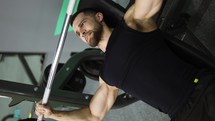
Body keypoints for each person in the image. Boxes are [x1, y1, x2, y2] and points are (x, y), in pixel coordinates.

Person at [35, 0, 215, 121]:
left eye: (82, 24)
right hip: (182, 115)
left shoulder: (131, 25)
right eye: (78, 33)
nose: (81, 32)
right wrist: (55, 114)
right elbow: (92, 115)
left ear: (99, 17)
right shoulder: (106, 76)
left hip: (201, 90)